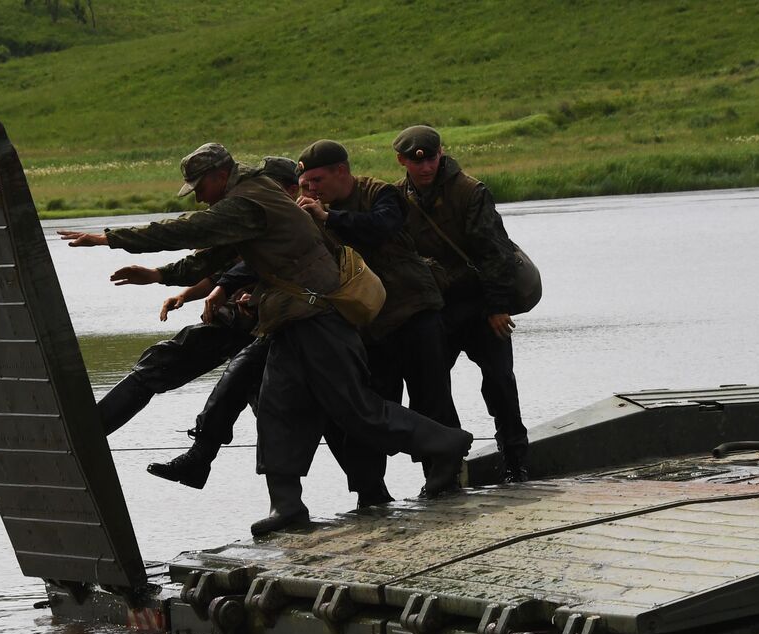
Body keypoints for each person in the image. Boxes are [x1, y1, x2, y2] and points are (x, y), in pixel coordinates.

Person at [58, 142, 473, 536]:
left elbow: (190, 230)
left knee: (355, 409)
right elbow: (214, 256)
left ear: (221, 175)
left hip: (317, 316)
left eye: (201, 187)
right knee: (278, 407)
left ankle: (446, 444)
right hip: (291, 318)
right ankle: (286, 505)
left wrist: (111, 238)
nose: (199, 198)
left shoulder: (248, 199)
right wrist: (160, 276)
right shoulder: (246, 199)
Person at [93, 156, 301, 444]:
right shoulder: (258, 214)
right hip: (244, 322)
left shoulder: (294, 219)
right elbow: (217, 266)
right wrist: (166, 280)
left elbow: (229, 263)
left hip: (270, 324)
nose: (199, 198)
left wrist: (111, 240)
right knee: (264, 407)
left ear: (289, 190)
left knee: (268, 405)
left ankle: (85, 436)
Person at [295, 139, 460, 503]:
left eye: (317, 181)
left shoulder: (380, 193)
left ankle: (443, 478)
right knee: (371, 410)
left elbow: (381, 226)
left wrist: (328, 218)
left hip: (415, 312)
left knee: (431, 397)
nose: (311, 190)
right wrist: (226, 288)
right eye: (306, 184)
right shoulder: (311, 212)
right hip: (370, 325)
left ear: (342, 171)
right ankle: (371, 491)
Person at [392, 125, 530, 483]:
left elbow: (496, 252)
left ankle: (516, 462)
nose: (426, 168)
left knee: (500, 381)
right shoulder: (395, 198)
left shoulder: (470, 192)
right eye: (416, 162)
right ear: (402, 161)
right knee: (429, 392)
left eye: (432, 159)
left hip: (482, 303)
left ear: (441, 154)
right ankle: (442, 471)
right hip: (436, 309)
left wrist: (498, 307)